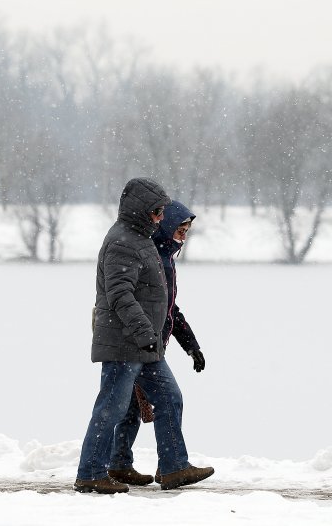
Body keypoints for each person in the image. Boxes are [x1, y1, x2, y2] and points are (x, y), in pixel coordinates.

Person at [74, 178, 213, 494]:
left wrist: (189, 345)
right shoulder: (123, 242)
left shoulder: (143, 241)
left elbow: (164, 304)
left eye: (162, 212)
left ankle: (174, 468)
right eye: (157, 212)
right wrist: (144, 333)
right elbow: (120, 294)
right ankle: (90, 473)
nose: (161, 218)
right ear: (141, 210)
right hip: (127, 342)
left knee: (168, 397)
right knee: (112, 408)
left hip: (145, 344)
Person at [107, 200, 206, 487]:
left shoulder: (165, 257)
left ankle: (118, 464)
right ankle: (173, 466)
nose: (184, 234)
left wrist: (191, 346)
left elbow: (170, 309)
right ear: (164, 226)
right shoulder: (155, 260)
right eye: (180, 228)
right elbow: (156, 308)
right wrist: (146, 339)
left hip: (143, 343)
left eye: (187, 230)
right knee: (168, 398)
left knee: (127, 406)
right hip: (141, 344)